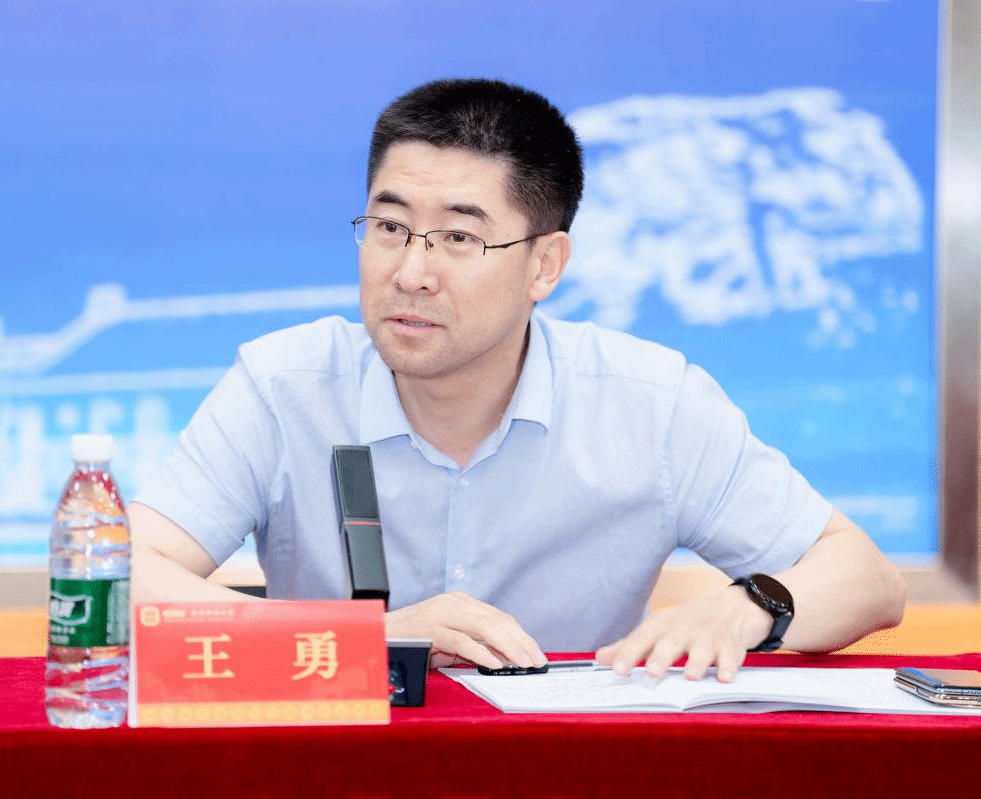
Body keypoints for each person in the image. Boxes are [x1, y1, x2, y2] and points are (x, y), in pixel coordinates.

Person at [130, 77, 906, 682]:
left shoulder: (649, 402)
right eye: (390, 227)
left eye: (459, 238)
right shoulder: (283, 386)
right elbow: (118, 575)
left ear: (545, 266)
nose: (411, 272)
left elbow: (867, 579)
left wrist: (748, 609)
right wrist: (365, 638)